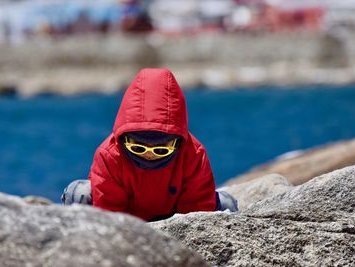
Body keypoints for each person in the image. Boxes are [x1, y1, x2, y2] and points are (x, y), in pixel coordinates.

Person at [61, 68, 238, 221]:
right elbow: (108, 210)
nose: (149, 154)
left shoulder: (193, 153)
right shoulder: (109, 155)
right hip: (126, 219)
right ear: (124, 139)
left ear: (177, 142)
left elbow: (198, 210)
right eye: (138, 148)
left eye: (161, 149)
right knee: (78, 193)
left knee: (226, 203)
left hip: (174, 216)